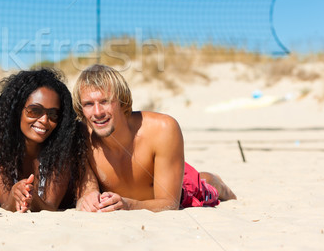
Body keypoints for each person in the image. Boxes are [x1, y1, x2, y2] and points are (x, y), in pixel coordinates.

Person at [73, 64, 236, 212]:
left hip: (179, 187)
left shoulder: (162, 128)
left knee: (207, 183)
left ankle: (220, 183)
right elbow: (88, 186)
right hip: (137, 191)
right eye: (88, 104)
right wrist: (89, 196)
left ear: (122, 101)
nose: (97, 112)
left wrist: (129, 205)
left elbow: (170, 203)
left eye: (105, 101)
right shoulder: (81, 137)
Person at [0, 68, 92, 212]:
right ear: (17, 110)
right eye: (35, 111)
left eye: (53, 114)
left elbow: (51, 207)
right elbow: (5, 206)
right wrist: (15, 194)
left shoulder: (63, 144)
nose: (44, 120)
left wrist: (32, 197)